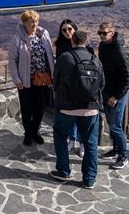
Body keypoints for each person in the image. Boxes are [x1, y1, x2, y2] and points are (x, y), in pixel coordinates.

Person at [50, 30, 104, 188]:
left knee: (60, 136)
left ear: (72, 41)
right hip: (91, 109)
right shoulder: (96, 60)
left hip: (67, 108)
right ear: (87, 42)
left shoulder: (65, 58)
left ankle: (63, 171)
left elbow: (56, 83)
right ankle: (89, 180)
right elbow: (102, 84)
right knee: (91, 144)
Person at [8, 10, 55, 146]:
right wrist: (16, 79)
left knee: (40, 108)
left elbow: (50, 55)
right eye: (31, 22)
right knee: (27, 108)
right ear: (24, 23)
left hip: (43, 79)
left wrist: (53, 74)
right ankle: (28, 134)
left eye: (36, 21)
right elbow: (12, 60)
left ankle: (35, 131)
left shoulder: (43, 34)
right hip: (25, 80)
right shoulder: (17, 38)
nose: (34, 24)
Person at [97, 21, 129, 170]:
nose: (102, 36)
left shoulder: (119, 51)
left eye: (104, 33)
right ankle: (115, 150)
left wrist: (116, 97)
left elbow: (128, 78)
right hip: (107, 90)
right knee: (111, 122)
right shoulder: (103, 46)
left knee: (116, 125)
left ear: (112, 32)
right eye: (100, 33)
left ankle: (123, 156)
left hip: (118, 93)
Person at [54, 19, 83, 157]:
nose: (67, 32)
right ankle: (72, 140)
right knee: (70, 117)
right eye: (64, 30)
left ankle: (82, 144)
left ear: (75, 29)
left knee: (81, 118)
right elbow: (59, 68)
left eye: (69, 29)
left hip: (82, 87)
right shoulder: (60, 47)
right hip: (67, 88)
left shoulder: (83, 45)